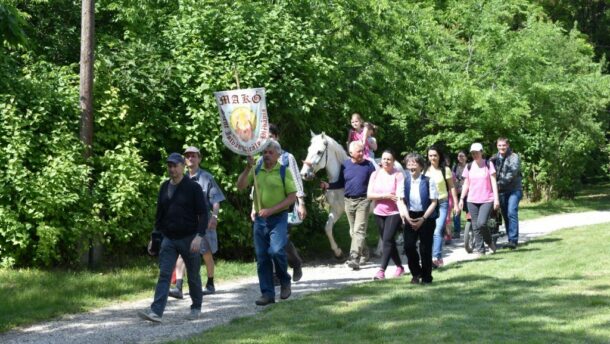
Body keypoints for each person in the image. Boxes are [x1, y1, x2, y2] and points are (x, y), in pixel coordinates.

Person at [138, 153, 208, 323]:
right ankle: (156, 312)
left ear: (183, 166)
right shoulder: (163, 187)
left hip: (189, 238)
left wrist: (199, 236)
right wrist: (154, 237)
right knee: (164, 274)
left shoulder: (193, 188)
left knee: (193, 275)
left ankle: (196, 307)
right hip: (168, 238)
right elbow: (159, 217)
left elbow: (203, 214)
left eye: (175, 166)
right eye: (169, 166)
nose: (172, 169)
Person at [237, 139, 297, 306]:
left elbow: (291, 197)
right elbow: (240, 186)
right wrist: (248, 167)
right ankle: (267, 294)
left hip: (278, 218)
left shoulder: (284, 171)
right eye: (264, 152)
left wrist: (271, 210)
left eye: (270, 153)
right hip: (260, 220)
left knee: (276, 251)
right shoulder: (256, 169)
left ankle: (285, 280)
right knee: (262, 257)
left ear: (278, 155)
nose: (267, 155)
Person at [251, 124, 307, 281]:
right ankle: (276, 274)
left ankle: (295, 263)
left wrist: (301, 202)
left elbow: (296, 180)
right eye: (265, 136)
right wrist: (253, 207)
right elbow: (256, 185)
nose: (268, 139)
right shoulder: (260, 160)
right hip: (263, 209)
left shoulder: (287, 158)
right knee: (269, 240)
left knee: (282, 239)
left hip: (284, 206)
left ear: (277, 137)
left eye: (271, 135)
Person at [169, 146, 225, 300]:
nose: (190, 159)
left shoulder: (207, 178)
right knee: (182, 252)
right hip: (186, 224)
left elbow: (216, 200)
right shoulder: (181, 179)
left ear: (199, 158)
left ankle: (210, 283)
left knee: (206, 253)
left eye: (194, 156)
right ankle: (178, 287)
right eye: (187, 156)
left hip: (204, 222)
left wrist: (214, 216)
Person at [322, 141, 376, 270]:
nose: (362, 153)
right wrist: (328, 186)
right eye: (359, 151)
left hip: (363, 200)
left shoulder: (369, 165)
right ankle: (365, 252)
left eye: (363, 150)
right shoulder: (345, 165)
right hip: (348, 201)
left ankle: (353, 258)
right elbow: (340, 183)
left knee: (358, 230)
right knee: (354, 231)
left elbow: (375, 182)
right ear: (351, 153)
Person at [397, 152, 439, 284]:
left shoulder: (428, 181)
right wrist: (407, 217)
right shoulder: (404, 181)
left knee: (425, 248)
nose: (411, 166)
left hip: (426, 216)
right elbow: (401, 201)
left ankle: (427, 277)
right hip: (411, 215)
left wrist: (423, 219)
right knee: (409, 246)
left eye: (414, 163)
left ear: (421, 166)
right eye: (409, 163)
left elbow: (434, 202)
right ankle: (416, 273)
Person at [367, 150, 405, 280]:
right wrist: (386, 196)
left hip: (394, 212)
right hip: (378, 211)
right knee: (388, 241)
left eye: (389, 159)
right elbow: (369, 195)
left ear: (393, 161)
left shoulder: (398, 175)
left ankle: (381, 270)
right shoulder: (375, 174)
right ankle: (400, 267)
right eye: (384, 159)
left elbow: (399, 194)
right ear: (380, 161)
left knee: (387, 240)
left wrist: (402, 209)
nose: (386, 161)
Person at [458, 143, 500, 257]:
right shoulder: (469, 166)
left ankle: (489, 242)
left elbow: (493, 182)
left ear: (481, 152)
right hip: (471, 200)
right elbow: (466, 184)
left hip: (487, 199)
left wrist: (496, 199)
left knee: (482, 223)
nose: (475, 155)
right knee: (475, 226)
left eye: (477, 152)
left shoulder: (488, 164)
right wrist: (461, 199)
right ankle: (481, 251)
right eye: (472, 153)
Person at [424, 145, 459, 268]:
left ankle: (436, 257)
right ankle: (437, 258)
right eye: (430, 155)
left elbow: (452, 187)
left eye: (435, 155)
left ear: (439, 156)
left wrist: (455, 204)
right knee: (429, 231)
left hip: (442, 203)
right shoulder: (424, 170)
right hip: (428, 204)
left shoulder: (445, 170)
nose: (433, 158)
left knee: (438, 229)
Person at [492, 137, 522, 249]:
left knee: (511, 212)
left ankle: (513, 240)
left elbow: (512, 172)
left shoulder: (514, 157)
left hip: (514, 190)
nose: (502, 147)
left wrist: (498, 183)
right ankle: (510, 240)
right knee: (505, 215)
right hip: (501, 191)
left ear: (507, 145)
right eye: (499, 145)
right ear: (497, 146)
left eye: (503, 145)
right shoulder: (494, 158)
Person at [451, 150, 468, 238]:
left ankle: (471, 228)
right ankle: (457, 231)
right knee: (456, 211)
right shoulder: (455, 167)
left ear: (466, 157)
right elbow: (453, 179)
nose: (460, 158)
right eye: (459, 156)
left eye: (462, 156)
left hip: (467, 192)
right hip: (457, 193)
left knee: (469, 211)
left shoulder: (469, 167)